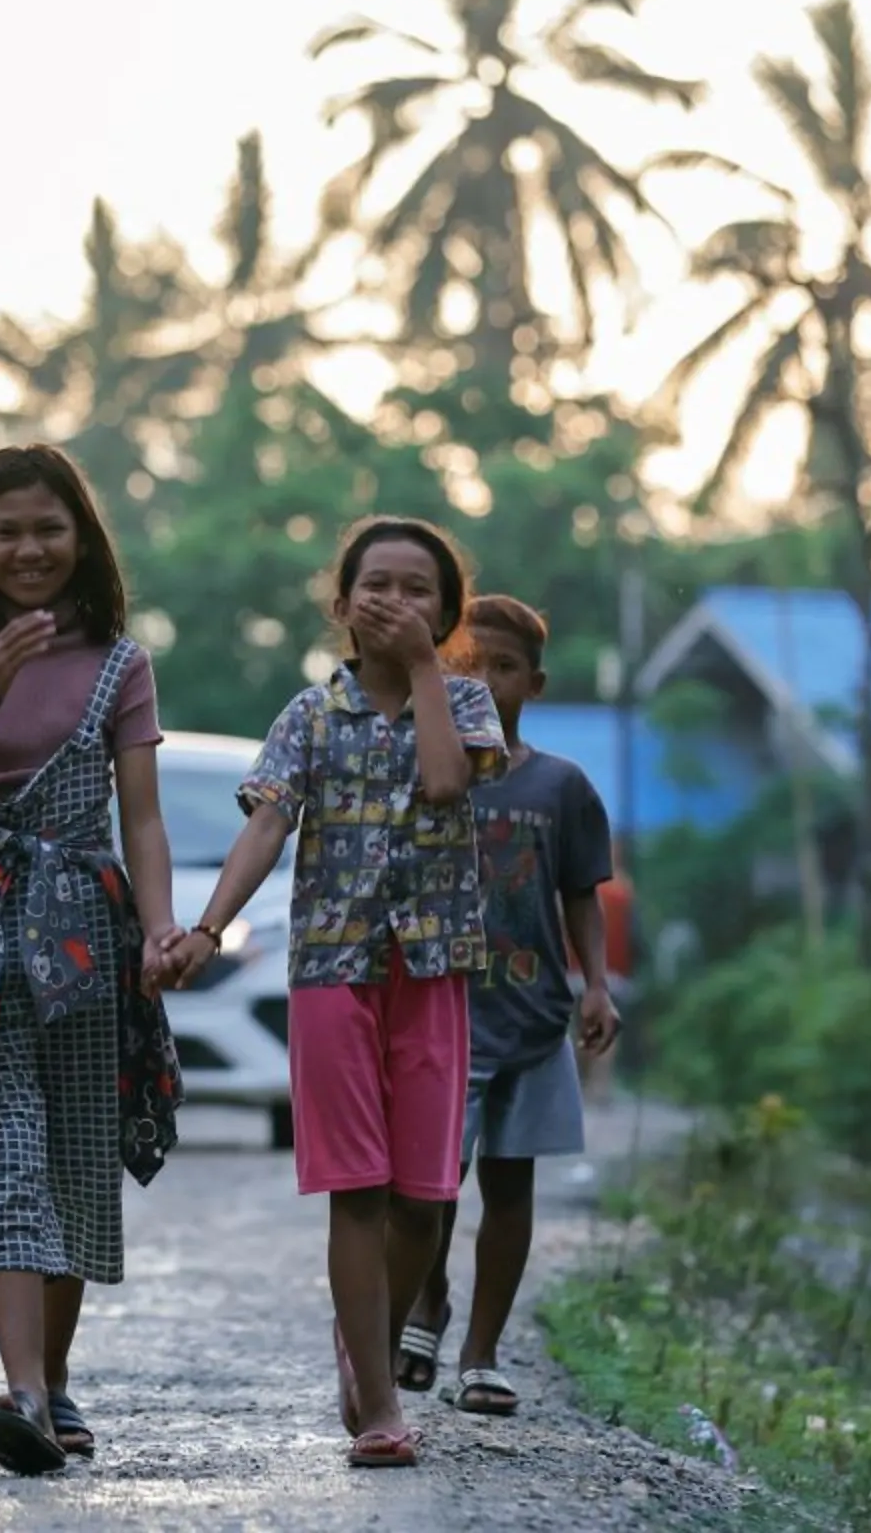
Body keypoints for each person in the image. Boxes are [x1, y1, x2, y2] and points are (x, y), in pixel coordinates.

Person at [170, 516, 507, 1469]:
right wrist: (206, 928)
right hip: (333, 966)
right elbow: (268, 828)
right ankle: (378, 1404)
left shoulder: (468, 703)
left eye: (418, 590)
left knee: (424, 1200)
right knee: (355, 1191)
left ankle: (365, 1350)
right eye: (377, 584)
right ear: (340, 604)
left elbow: (445, 785)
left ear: (445, 614)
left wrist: (429, 672)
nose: (395, 600)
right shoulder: (306, 718)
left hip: (433, 966)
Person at [0, 443, 189, 1477]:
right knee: (8, 1153)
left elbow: (144, 819)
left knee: (73, 1159)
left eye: (48, 527)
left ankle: (52, 1384)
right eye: (6, 531)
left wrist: (161, 929)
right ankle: (23, 1390)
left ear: (83, 537)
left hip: (85, 936)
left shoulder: (123, 661)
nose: (29, 549)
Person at [392, 595, 621, 1415]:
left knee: (510, 1186)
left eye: (504, 666)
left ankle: (481, 1353)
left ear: (537, 682)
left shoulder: (562, 786)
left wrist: (593, 984)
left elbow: (581, 895)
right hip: (442, 1014)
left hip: (529, 1020)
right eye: (463, 663)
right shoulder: (424, 769)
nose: (482, 680)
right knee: (430, 1185)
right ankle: (427, 1301)